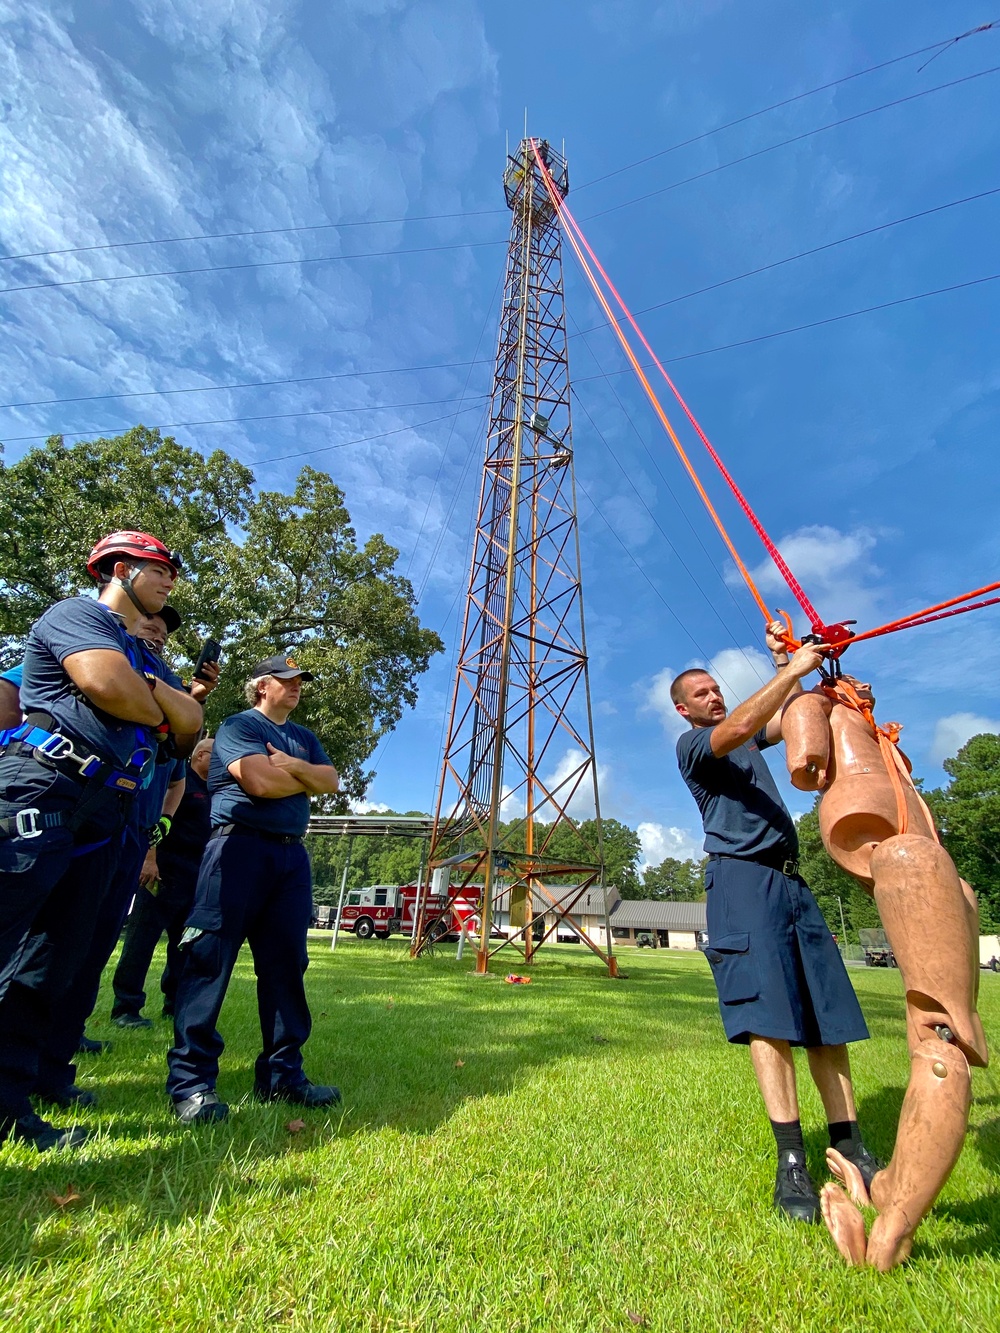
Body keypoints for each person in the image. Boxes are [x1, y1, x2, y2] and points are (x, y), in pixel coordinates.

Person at [779, 675, 989, 1270]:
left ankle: (893, 1222)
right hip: (916, 865)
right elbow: (805, 761)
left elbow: (807, 765)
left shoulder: (873, 731)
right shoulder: (823, 704)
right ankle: (892, 1201)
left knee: (940, 1034)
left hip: (923, 868)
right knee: (941, 1031)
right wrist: (797, 675)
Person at [671, 622, 879, 1223]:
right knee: (769, 1019)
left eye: (717, 688)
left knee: (824, 1015)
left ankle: (850, 1144)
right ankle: (791, 1161)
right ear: (685, 710)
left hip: (791, 881)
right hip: (740, 882)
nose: (715, 696)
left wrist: (790, 658)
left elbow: (790, 713)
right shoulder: (696, 748)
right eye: (702, 693)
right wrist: (788, 672)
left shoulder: (743, 743)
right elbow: (740, 722)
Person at [0, 531, 201, 1149]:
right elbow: (105, 685)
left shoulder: (147, 655)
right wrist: (156, 701)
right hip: (43, 787)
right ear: (120, 569)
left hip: (106, 808)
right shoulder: (76, 614)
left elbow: (190, 728)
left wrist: (153, 695)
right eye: (158, 568)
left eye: (171, 571)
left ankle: (14, 1103)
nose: (169, 579)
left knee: (53, 959)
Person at [166, 655, 341, 1124]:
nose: (296, 687)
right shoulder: (237, 726)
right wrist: (302, 776)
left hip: (290, 857)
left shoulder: (304, 738)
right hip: (236, 851)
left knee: (287, 965)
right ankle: (192, 1083)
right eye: (287, 680)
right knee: (209, 962)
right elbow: (259, 782)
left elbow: (332, 781)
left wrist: (297, 768)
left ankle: (284, 1075)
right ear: (262, 685)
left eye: (300, 680)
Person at [111, 737, 215, 1026]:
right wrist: (149, 858)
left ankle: (175, 1003)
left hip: (195, 878)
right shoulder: (178, 782)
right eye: (216, 755)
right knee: (141, 942)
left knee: (184, 945)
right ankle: (126, 1007)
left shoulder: (213, 789)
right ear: (200, 756)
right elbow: (156, 818)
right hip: (163, 872)